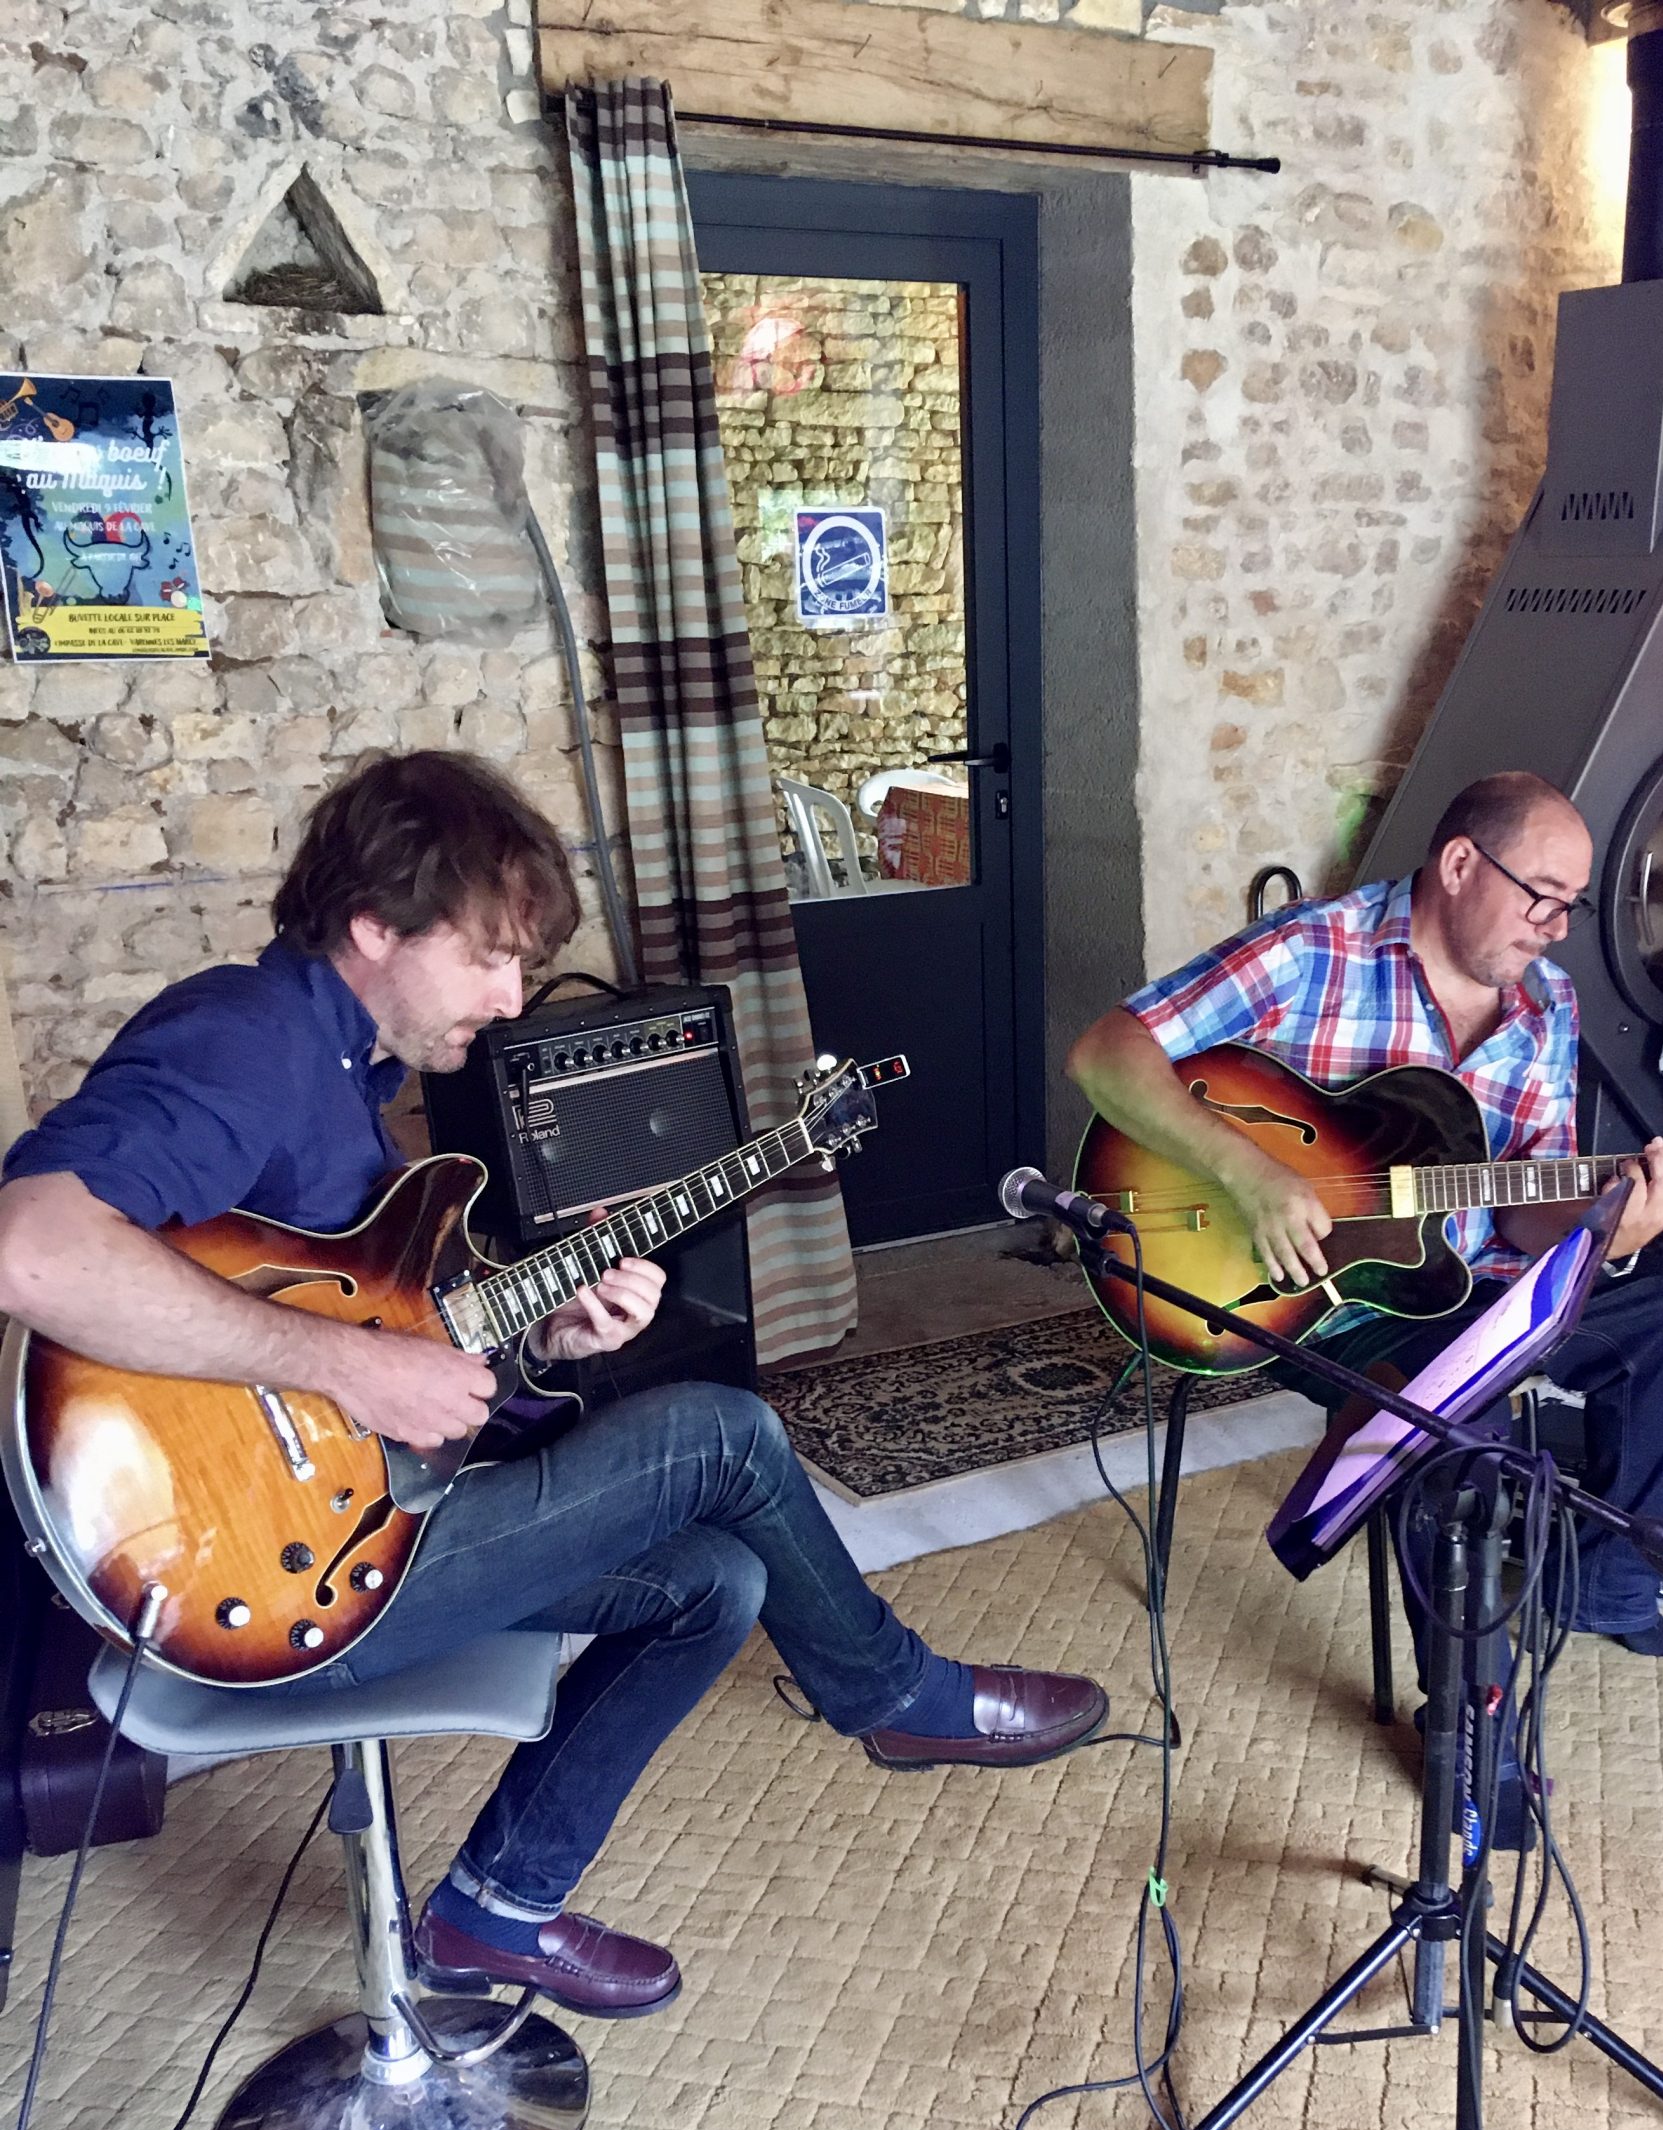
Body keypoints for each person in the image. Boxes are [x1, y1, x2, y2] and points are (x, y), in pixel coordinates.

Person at [0, 751, 1107, 2021]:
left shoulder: (352, 1082)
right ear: (374, 924)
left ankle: (494, 1907)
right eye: (490, 957)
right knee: (722, 1435)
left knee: (719, 1579)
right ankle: (896, 1692)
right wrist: (347, 1361)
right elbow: (33, 1248)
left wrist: (548, 1339)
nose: (512, 998)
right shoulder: (243, 1039)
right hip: (238, 1580)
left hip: (357, 1526)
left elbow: (396, 1353)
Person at [1067, 768, 1663, 1663]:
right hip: (1320, 1298)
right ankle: (1467, 1718)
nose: (1558, 927)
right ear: (1461, 864)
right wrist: (1249, 1172)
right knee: (1465, 1435)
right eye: (1543, 896)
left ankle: (1610, 1587)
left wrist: (1606, 1232)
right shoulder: (1312, 950)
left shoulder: (1548, 1005)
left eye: (1572, 904)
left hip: (1476, 1283)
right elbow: (1105, 1054)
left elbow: (1521, 1211)